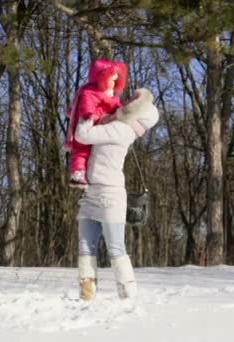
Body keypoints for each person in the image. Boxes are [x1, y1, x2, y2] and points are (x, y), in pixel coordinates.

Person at [74, 88, 159, 301]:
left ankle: (128, 294)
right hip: (91, 192)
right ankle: (86, 296)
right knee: (85, 247)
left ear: (136, 111)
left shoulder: (122, 129)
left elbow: (83, 135)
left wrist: (88, 114)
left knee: (115, 247)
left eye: (133, 100)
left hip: (110, 196)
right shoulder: (115, 124)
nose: (127, 100)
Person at [63, 59, 127, 188]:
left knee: (94, 152)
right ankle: (77, 173)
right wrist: (87, 115)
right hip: (87, 123)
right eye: (111, 80)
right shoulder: (90, 92)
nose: (113, 83)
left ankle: (89, 174)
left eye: (115, 81)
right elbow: (86, 104)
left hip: (99, 127)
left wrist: (123, 112)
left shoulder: (110, 95)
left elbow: (116, 106)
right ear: (101, 78)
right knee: (82, 150)